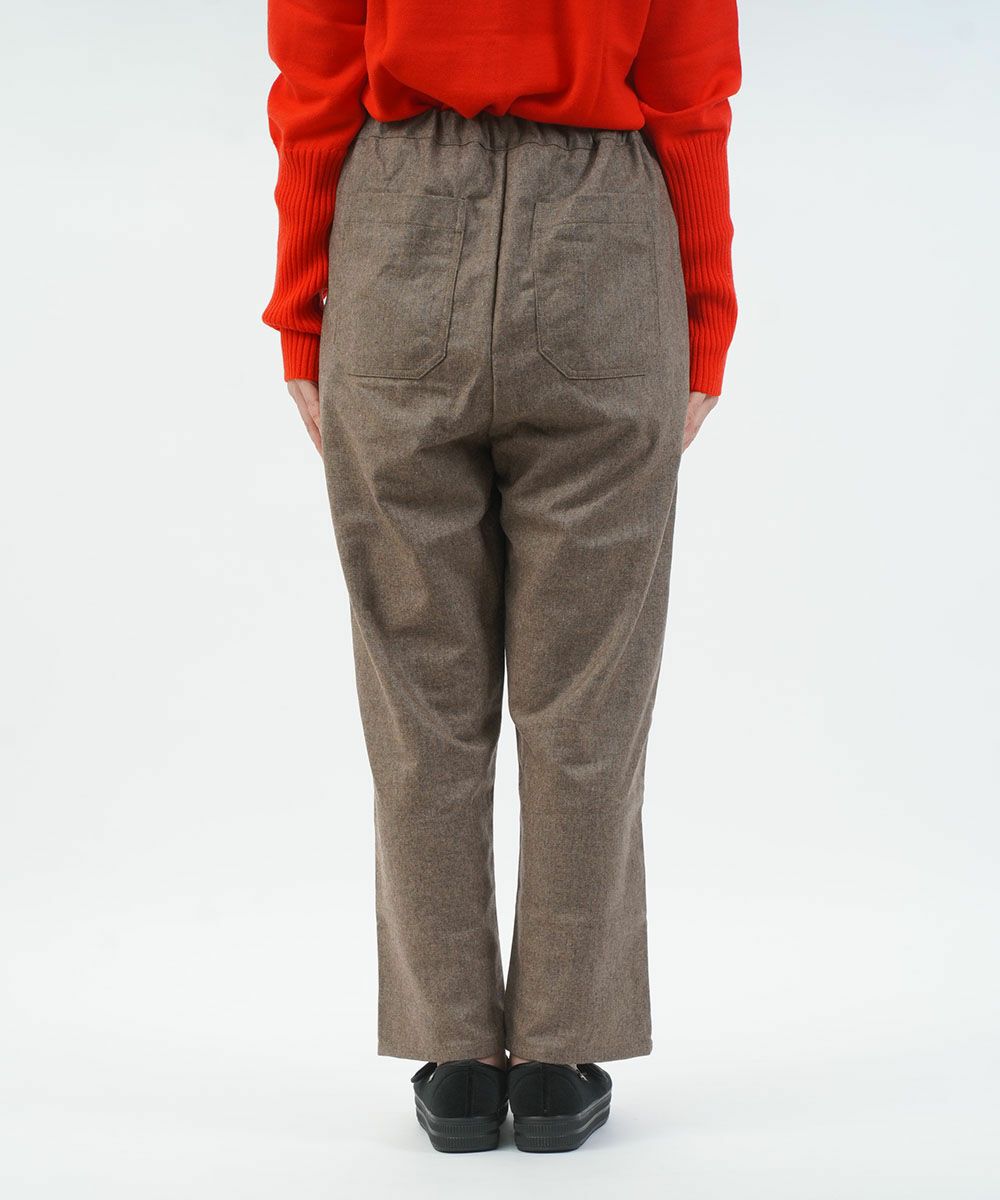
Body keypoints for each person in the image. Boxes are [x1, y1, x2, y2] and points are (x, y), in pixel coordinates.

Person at [262, 0, 741, 1154]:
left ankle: (458, 1062)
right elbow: (688, 91)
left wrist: (301, 308)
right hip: (605, 241)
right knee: (588, 696)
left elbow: (314, 79)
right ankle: (561, 1058)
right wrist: (704, 313)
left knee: (417, 689)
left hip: (397, 232)